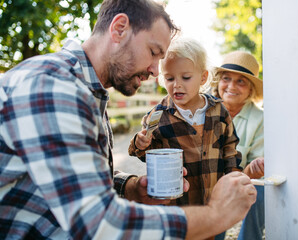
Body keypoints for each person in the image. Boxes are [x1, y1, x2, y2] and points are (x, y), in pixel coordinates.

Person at [0, 0, 257, 239]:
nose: (155, 71)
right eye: (153, 52)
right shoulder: (54, 87)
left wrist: (130, 187)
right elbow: (103, 225)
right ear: (120, 29)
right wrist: (216, 215)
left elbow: (74, 177)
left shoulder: (83, 89)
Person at [128, 37, 242, 240]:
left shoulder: (218, 110)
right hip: (177, 205)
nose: (177, 85)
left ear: (203, 78)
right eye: (170, 78)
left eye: (186, 77)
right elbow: (146, 153)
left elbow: (230, 146)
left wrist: (233, 175)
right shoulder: (159, 115)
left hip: (213, 198)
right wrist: (140, 143)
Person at [211, 51, 264, 240]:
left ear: (250, 90)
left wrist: (251, 170)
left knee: (262, 188)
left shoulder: (260, 118)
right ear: (218, 83)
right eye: (227, 78)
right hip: (209, 182)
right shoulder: (204, 109)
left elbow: (255, 170)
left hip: (244, 180)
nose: (232, 86)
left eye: (241, 81)